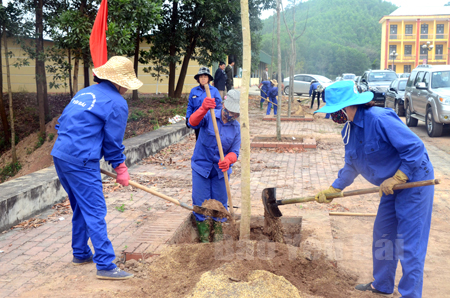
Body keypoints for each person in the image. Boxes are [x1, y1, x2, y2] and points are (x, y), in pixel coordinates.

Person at [314, 80, 434, 298]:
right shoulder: (349, 131)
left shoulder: (379, 119)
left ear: (348, 107)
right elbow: (352, 164)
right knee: (384, 234)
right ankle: (383, 284)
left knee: (409, 243)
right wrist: (333, 189)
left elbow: (415, 148)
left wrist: (399, 176)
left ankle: (410, 295)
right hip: (390, 186)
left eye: (334, 111)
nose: (333, 116)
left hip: (414, 180)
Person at [51, 56, 143, 280]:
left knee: (81, 207)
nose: (127, 90)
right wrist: (120, 167)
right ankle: (105, 265)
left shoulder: (85, 93)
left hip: (61, 154)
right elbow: (112, 142)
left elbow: (61, 123)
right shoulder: (117, 103)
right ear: (119, 82)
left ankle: (81, 253)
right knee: (95, 211)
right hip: (81, 160)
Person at [187, 89, 241, 243]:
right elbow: (192, 122)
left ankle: (217, 240)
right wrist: (203, 108)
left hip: (220, 171)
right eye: (230, 112)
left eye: (236, 114)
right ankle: (204, 240)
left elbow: (235, 152)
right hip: (201, 167)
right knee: (200, 204)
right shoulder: (209, 116)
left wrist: (229, 160)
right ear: (224, 105)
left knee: (220, 205)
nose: (232, 116)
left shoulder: (236, 128)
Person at [186, 67, 223, 140]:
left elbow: (219, 106)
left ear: (208, 78)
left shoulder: (214, 90)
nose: (203, 78)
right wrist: (188, 117)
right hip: (198, 120)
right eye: (201, 77)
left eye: (205, 77)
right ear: (198, 79)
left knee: (210, 141)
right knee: (199, 140)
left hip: (210, 121)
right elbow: (190, 105)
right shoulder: (194, 91)